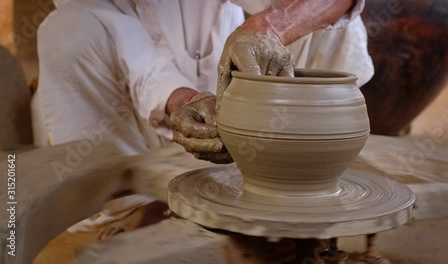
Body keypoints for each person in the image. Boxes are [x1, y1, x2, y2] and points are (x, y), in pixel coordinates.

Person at [33, 0, 373, 240]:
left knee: (332, 23)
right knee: (65, 31)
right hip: (138, 128)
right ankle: (138, 203)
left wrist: (265, 29)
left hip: (236, 92)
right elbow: (137, 61)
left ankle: (304, 181)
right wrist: (185, 99)